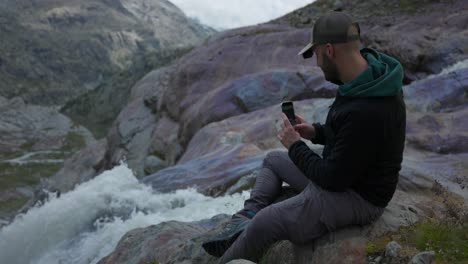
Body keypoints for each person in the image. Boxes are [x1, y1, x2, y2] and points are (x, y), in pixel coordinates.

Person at [202, 11, 406, 263]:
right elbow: (352, 138)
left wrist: (296, 146)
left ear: (329, 50)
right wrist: (317, 132)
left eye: (317, 55)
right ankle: (246, 216)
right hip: (348, 175)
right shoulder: (367, 79)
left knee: (266, 223)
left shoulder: (368, 108)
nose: (317, 64)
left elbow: (332, 179)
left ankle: (244, 237)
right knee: (273, 160)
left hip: (358, 197)